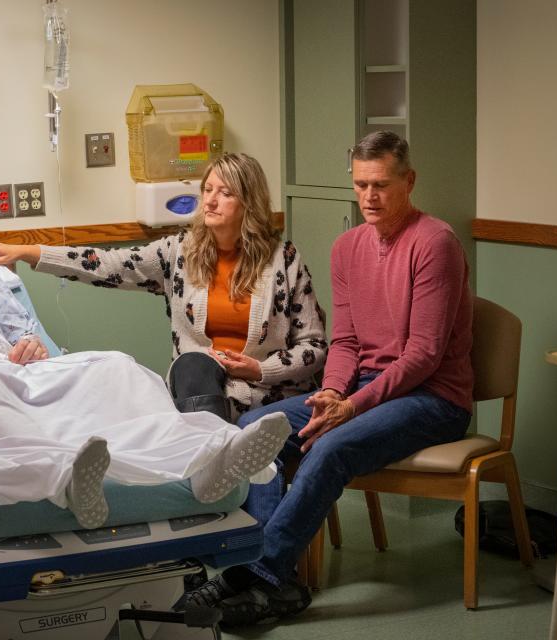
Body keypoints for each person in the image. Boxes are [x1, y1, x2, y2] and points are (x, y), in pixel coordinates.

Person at [0, 168, 293, 530]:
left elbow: (26, 332)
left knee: (114, 369)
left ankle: (206, 464)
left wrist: (29, 346)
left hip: (4, 364)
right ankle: (66, 481)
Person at [183, 131, 475, 627]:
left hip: (432, 399)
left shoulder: (435, 244)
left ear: (409, 181)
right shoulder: (347, 247)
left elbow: (423, 356)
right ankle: (265, 567)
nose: (369, 198)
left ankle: (262, 577)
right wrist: (333, 392)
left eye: (381, 185)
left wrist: (351, 408)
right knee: (259, 427)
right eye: (361, 185)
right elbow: (347, 343)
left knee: (330, 447)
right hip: (362, 390)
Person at [0, 152, 328, 422]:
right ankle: (218, 454)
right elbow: (105, 264)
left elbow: (314, 345)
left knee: (241, 435)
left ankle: (219, 465)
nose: (209, 201)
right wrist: (30, 252)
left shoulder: (283, 261)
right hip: (203, 390)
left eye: (225, 193)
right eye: (207, 190)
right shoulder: (180, 253)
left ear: (248, 203)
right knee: (193, 364)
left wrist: (259, 369)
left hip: (270, 393)